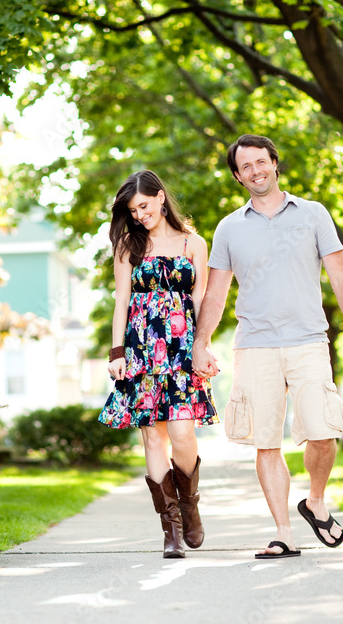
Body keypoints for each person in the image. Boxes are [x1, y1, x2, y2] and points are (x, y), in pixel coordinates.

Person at [192, 134, 343, 559]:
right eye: (246, 166)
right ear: (238, 176)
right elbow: (216, 294)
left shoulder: (313, 214)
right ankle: (283, 532)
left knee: (322, 431)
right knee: (266, 441)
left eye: (262, 162)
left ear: (275, 163)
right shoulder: (229, 227)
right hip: (254, 346)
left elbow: (342, 278)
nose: (256, 171)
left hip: (309, 339)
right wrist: (201, 343)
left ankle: (316, 500)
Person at [98, 169, 218, 559]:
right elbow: (121, 301)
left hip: (182, 350)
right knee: (153, 436)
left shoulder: (193, 243)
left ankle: (189, 503)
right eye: (133, 210)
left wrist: (204, 345)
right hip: (142, 349)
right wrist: (117, 352)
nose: (139, 215)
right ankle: (170, 530)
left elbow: (200, 299)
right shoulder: (128, 246)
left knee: (182, 432)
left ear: (161, 197)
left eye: (144, 206)